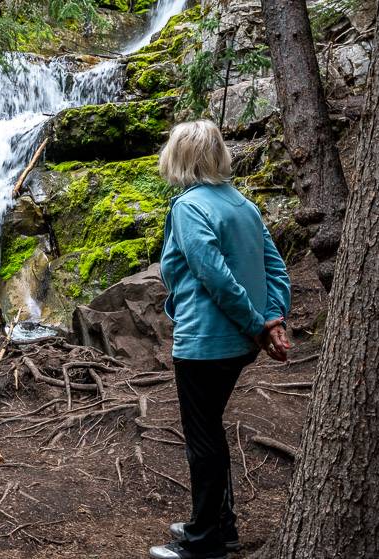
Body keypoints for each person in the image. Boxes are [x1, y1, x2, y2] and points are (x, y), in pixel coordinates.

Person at [149, 120, 292, 559]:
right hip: (237, 344)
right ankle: (219, 524)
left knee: (203, 439)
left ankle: (203, 540)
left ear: (180, 158)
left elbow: (214, 275)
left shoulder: (189, 207)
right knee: (210, 429)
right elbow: (276, 271)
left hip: (204, 342)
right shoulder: (244, 205)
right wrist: (271, 321)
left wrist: (257, 324)